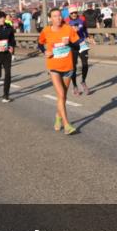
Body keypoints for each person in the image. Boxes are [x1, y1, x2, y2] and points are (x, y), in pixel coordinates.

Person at [37, 7, 81, 135]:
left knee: (63, 96)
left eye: (60, 16)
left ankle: (58, 116)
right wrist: (44, 51)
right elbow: (40, 43)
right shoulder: (46, 31)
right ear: (50, 18)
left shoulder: (68, 28)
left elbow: (78, 44)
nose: (58, 18)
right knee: (61, 94)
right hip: (54, 67)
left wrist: (70, 44)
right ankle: (67, 125)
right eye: (55, 16)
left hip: (68, 67)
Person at [66, 7, 91, 95]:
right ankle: (75, 85)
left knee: (85, 64)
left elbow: (84, 30)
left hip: (82, 44)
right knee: (73, 67)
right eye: (72, 13)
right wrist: (72, 32)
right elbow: (64, 34)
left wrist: (88, 37)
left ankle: (83, 81)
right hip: (72, 46)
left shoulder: (81, 20)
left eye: (75, 12)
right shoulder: (66, 22)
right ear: (69, 14)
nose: (74, 14)